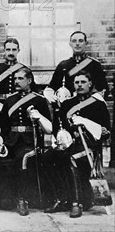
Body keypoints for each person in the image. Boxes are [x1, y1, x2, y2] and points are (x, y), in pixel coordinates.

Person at [42, 71, 111, 218]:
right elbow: (58, 126)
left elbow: (106, 132)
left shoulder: (98, 105)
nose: (79, 85)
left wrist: (92, 127)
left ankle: (76, 203)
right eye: (76, 82)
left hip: (90, 147)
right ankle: (60, 197)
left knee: (71, 158)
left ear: (90, 84)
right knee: (47, 157)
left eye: (83, 82)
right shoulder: (67, 104)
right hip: (69, 144)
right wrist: (61, 137)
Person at [0, 67, 52, 216]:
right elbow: (3, 125)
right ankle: (1, 199)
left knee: (22, 158)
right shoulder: (9, 101)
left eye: (20, 79)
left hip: (30, 142)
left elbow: (48, 124)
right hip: (11, 142)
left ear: (29, 80)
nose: (16, 81)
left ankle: (23, 199)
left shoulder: (39, 100)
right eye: (15, 79)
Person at [44, 31, 109, 103]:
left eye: (80, 41)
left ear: (86, 43)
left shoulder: (94, 65)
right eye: (74, 41)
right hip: (68, 106)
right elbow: (52, 87)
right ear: (70, 44)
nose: (77, 43)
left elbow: (104, 89)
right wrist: (54, 98)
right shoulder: (63, 65)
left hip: (88, 106)